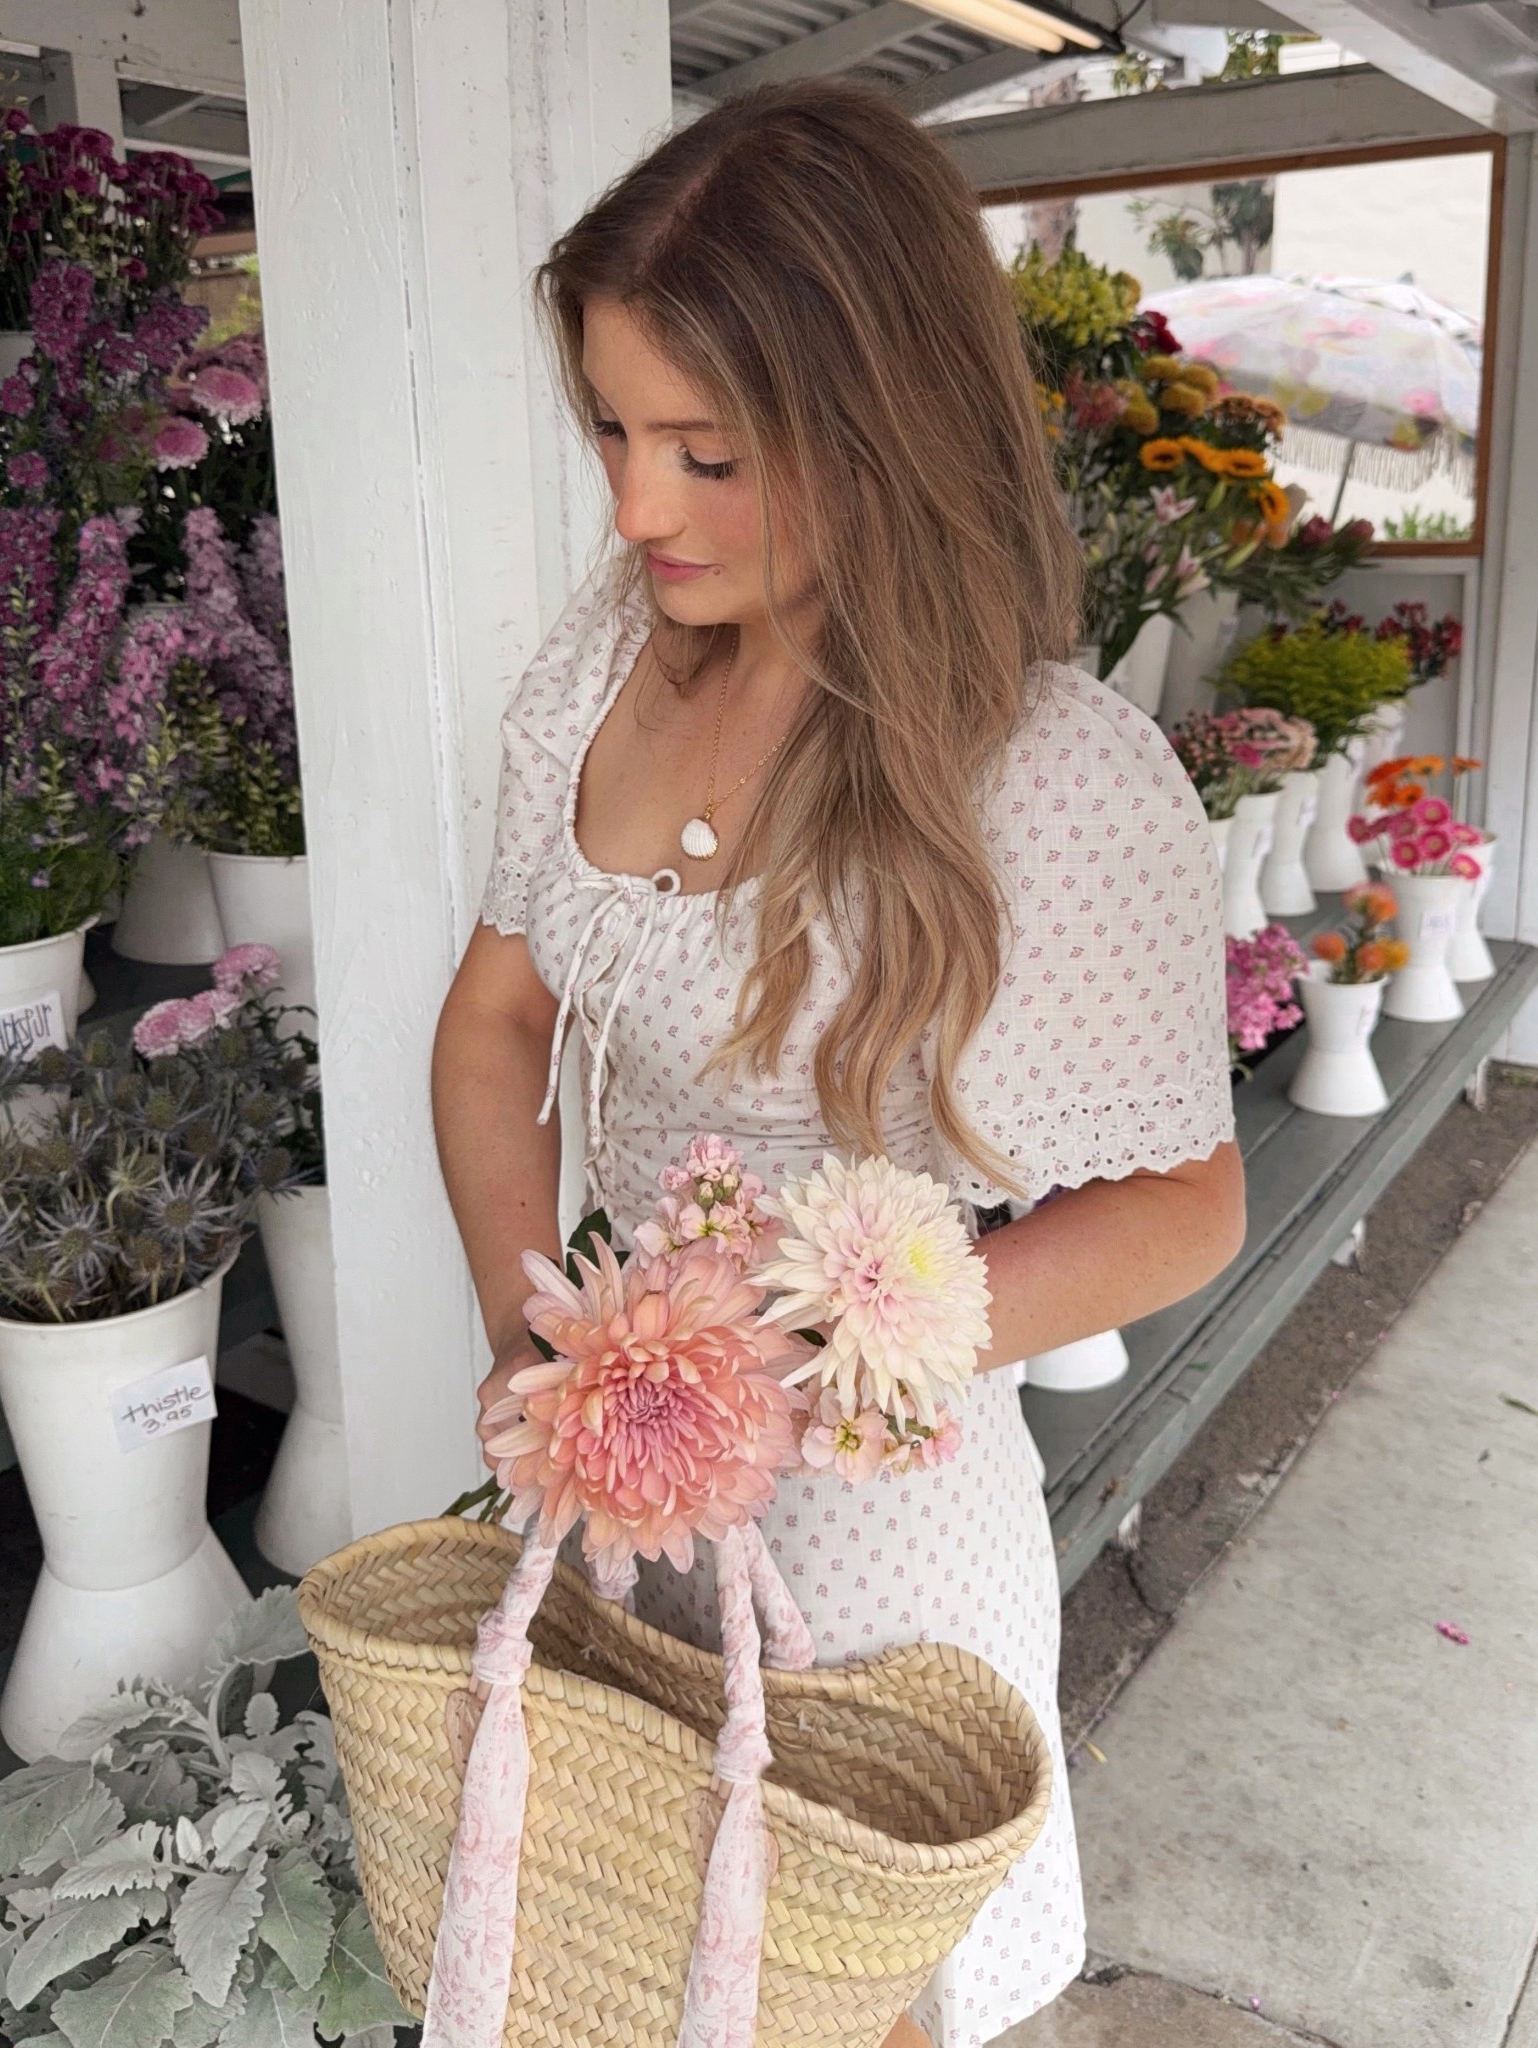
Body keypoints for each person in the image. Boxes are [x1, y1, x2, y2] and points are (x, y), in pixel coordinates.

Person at [431, 79, 1243, 2048]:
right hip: (619, 1511)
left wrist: (817, 1359)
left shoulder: (1041, 774)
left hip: (876, 1542)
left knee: (837, 2003)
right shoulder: (599, 663)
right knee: (616, 1964)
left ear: (879, 427)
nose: (637, 508)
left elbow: (1183, 1207)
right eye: (616, 431)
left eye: (707, 451)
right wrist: (544, 1346)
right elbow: (493, 1022)